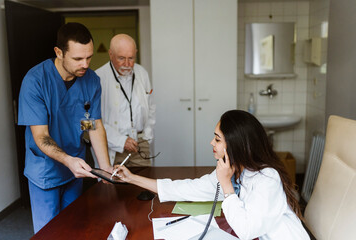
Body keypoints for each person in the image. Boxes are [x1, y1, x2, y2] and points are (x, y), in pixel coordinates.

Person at [115, 110, 310, 240]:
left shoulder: (267, 178)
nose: (211, 143)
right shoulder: (234, 172)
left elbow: (247, 230)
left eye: (217, 139)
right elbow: (186, 188)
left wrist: (226, 186)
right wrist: (131, 178)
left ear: (235, 144)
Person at [18, 22, 113, 233]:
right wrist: (68, 160)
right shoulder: (35, 81)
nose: (86, 64)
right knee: (49, 233)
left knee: (74, 227)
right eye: (78, 58)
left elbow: (93, 125)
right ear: (59, 52)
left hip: (76, 169)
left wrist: (105, 167)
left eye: (89, 57)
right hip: (46, 169)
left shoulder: (92, 81)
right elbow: (41, 136)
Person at [94, 34, 156, 167]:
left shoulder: (142, 73)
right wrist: (121, 141)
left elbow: (150, 107)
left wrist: (147, 135)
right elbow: (93, 121)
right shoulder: (98, 78)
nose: (127, 64)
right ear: (111, 54)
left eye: (131, 58)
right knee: (114, 186)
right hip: (113, 147)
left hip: (140, 144)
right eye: (121, 58)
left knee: (144, 184)